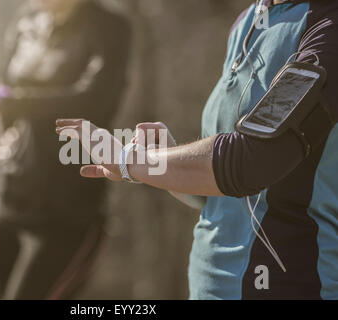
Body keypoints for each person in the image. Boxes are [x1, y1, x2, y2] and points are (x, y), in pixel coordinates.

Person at [56, 0, 338, 299]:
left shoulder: (327, 29)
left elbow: (252, 161)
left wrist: (132, 161)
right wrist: (165, 159)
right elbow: (219, 193)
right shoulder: (248, 21)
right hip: (207, 287)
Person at [0, 0, 131, 299]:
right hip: (9, 198)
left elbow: (92, 99)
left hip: (68, 212)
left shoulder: (111, 27)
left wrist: (9, 102)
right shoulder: (26, 20)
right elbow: (1, 86)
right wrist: (1, 130)